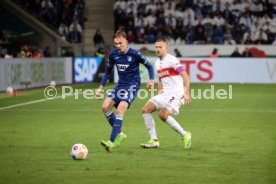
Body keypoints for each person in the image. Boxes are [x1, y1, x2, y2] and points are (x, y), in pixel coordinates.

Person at [95, 28, 155, 152]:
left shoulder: (135, 54)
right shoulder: (113, 54)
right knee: (105, 107)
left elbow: (149, 66)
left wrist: (151, 80)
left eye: (120, 43)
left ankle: (111, 141)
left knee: (119, 110)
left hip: (132, 85)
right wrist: (100, 88)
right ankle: (120, 134)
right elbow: (107, 72)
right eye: (116, 44)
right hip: (120, 85)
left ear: (126, 41)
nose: (118, 46)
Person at [140, 39, 192, 149]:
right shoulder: (157, 63)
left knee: (163, 115)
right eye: (156, 47)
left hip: (176, 92)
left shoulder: (172, 60)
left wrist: (186, 92)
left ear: (166, 48)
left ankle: (185, 134)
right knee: (145, 109)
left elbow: (185, 75)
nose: (158, 49)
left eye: (160, 47)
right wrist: (158, 95)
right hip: (165, 93)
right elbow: (161, 79)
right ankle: (154, 140)